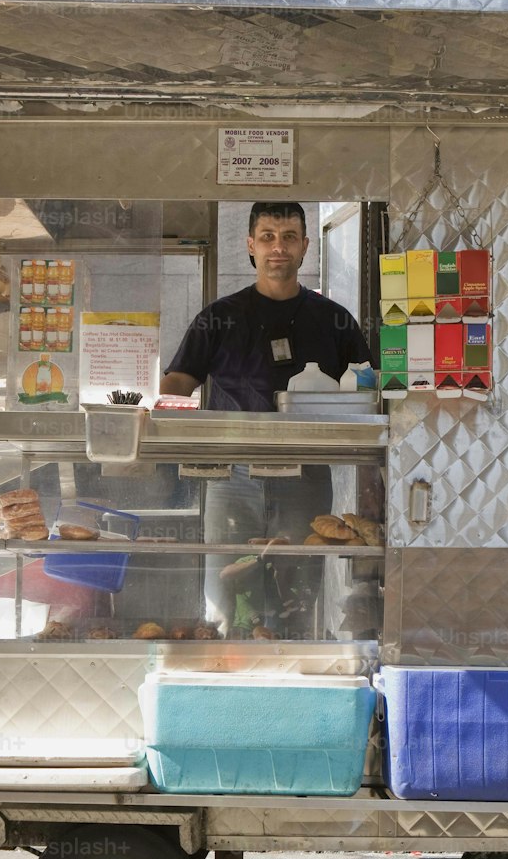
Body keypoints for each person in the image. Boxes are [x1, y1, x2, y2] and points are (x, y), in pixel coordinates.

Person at [160, 201, 374, 636]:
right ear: (251, 246)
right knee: (228, 591)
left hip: (306, 476)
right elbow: (175, 387)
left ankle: (294, 668)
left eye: (290, 237)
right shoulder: (218, 318)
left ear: (306, 247)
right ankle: (229, 668)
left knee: (298, 588)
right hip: (230, 478)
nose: (279, 247)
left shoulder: (334, 320)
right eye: (269, 237)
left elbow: (368, 391)